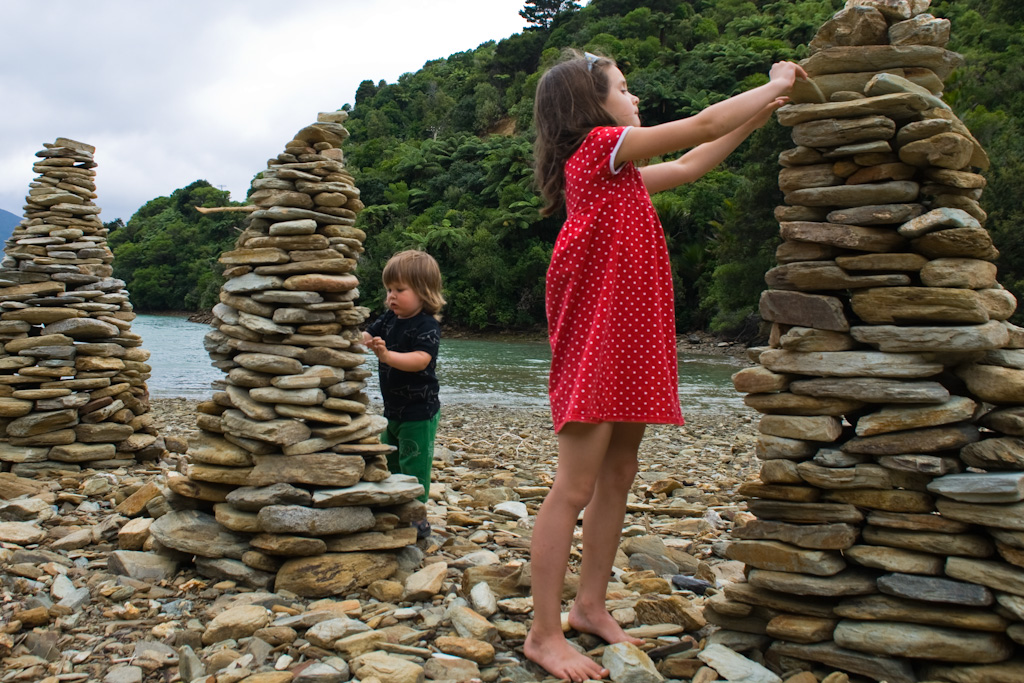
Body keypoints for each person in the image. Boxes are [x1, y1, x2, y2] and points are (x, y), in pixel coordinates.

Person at [524, 50, 807, 681]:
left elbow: (692, 160)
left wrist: (761, 112)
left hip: (631, 338)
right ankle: (544, 633)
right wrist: (775, 82)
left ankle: (589, 607)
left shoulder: (617, 175)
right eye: (623, 88)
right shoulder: (598, 149)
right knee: (573, 487)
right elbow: (701, 125)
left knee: (619, 473)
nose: (635, 97)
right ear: (588, 106)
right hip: (600, 338)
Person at [362, 250, 445, 540]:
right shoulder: (388, 319)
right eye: (388, 290)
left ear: (423, 292)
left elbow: (421, 360)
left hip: (419, 412)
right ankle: (397, 505)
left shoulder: (427, 326)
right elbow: (366, 336)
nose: (391, 297)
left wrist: (387, 356)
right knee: (392, 459)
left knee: (415, 462)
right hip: (393, 410)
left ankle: (417, 516)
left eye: (400, 290)